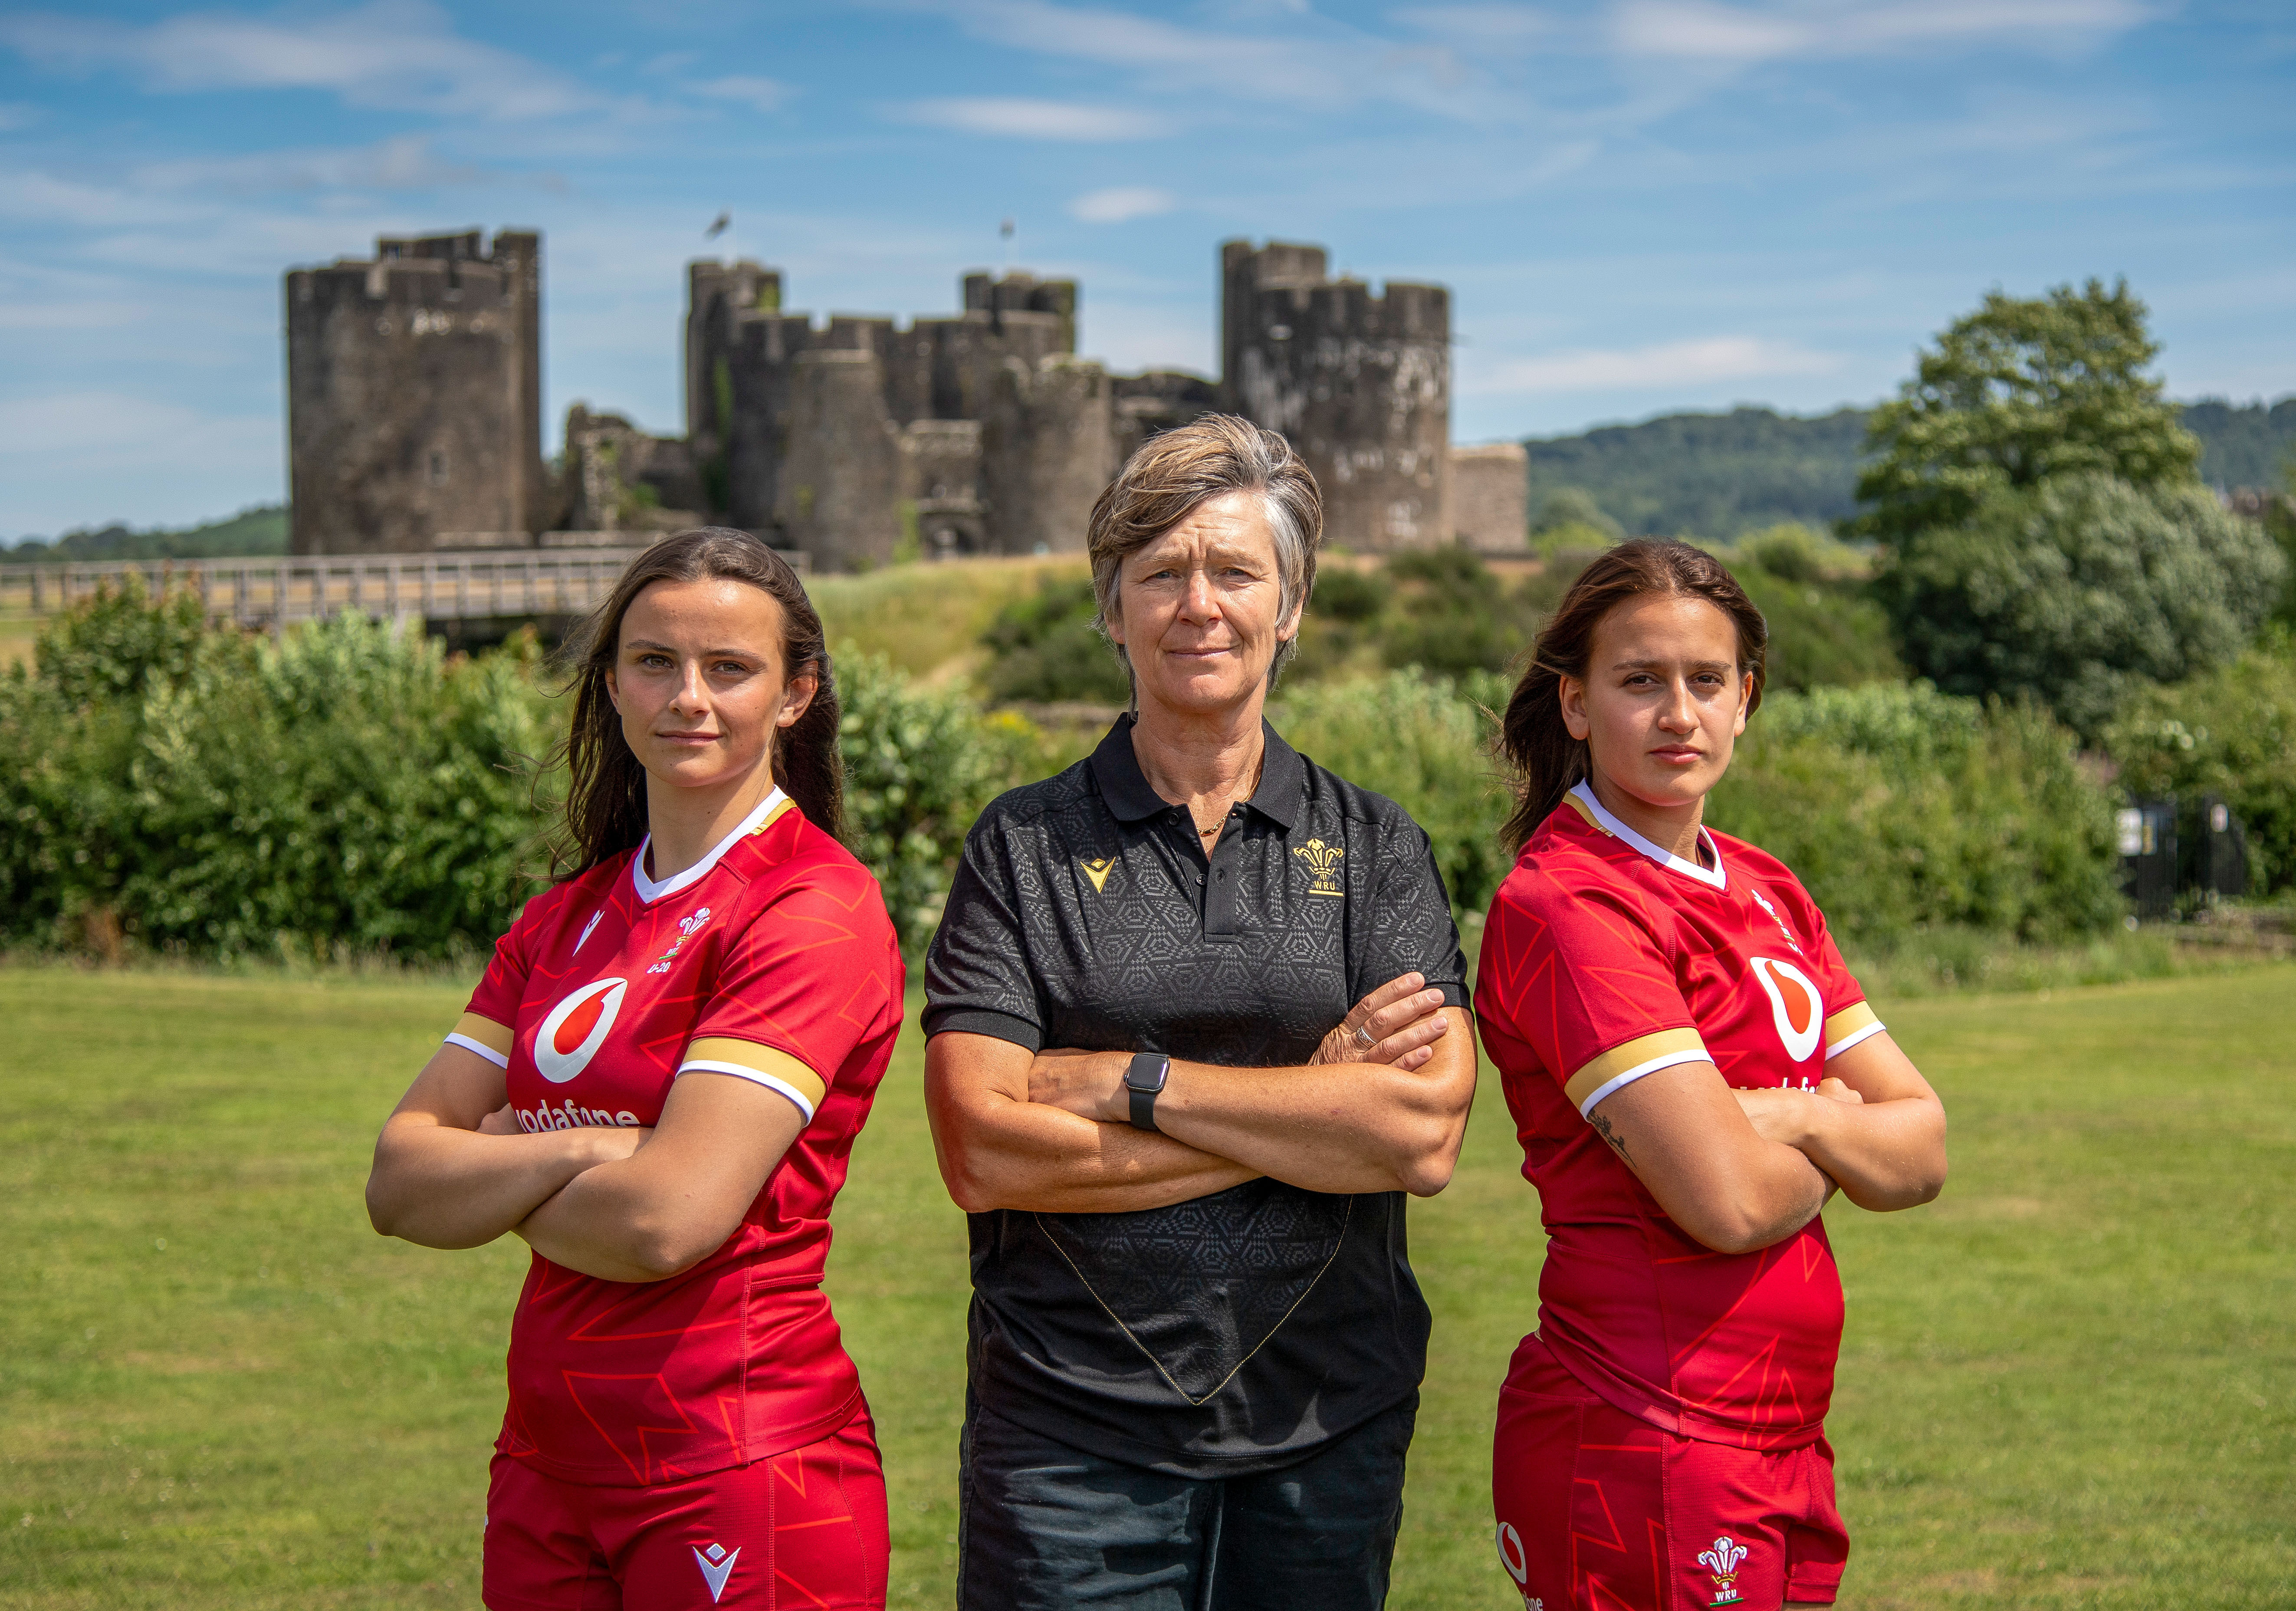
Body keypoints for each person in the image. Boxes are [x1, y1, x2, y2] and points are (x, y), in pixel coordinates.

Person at [922, 415, 1479, 1611]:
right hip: (1069, 1439)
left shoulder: (1376, 848)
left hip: (1329, 1422)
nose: (1199, 605)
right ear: (1110, 608)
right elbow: (981, 1146)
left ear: (1289, 608)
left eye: (1235, 573)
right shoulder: (1021, 846)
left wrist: (1139, 1083)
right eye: (1161, 574)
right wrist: (1310, 1116)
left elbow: (1421, 1137)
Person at [364, 528, 903, 1611]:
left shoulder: (811, 904)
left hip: (735, 1463)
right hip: (547, 1462)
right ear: (612, 682)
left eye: (730, 668)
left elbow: (667, 1219)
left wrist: (503, 1163)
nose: (687, 696)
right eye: (655, 661)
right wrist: (579, 1148)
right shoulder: (563, 914)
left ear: (796, 693)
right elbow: (399, 1181)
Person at [1477, 540, 1948, 1611]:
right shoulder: (1570, 904)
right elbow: (1728, 1200)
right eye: (1640, 679)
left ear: (1746, 699)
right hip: (1648, 1433)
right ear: (1578, 703)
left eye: (1705, 681)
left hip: (1781, 1438)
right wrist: (1836, 1128)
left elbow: (1922, 1146)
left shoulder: (1768, 886)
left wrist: (1789, 1115)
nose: (1678, 711)